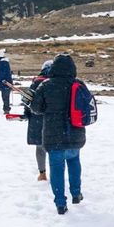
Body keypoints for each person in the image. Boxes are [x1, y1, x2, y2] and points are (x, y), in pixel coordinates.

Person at [31, 54, 85, 215]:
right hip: (75, 133)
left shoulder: (46, 86)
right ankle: (76, 193)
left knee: (56, 169)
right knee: (74, 163)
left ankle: (60, 203)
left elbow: (36, 108)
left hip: (53, 137)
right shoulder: (78, 84)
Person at [24, 60, 52, 181]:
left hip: (37, 119)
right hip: (54, 119)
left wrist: (26, 113)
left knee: (40, 147)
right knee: (55, 149)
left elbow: (26, 101)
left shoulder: (36, 82)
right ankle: (56, 173)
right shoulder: (58, 82)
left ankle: (42, 173)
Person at [0, 49, 13, 114]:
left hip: (6, 83)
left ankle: (6, 109)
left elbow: (2, 74)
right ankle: (6, 109)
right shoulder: (4, 62)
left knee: (5, 96)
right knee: (5, 96)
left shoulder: (3, 63)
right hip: (5, 82)